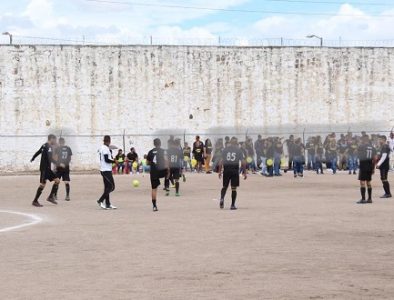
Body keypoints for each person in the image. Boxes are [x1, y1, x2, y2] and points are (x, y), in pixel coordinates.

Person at [30, 134, 61, 207]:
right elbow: (51, 158)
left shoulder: (45, 146)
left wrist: (33, 158)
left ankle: (50, 197)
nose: (55, 141)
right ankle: (35, 201)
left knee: (57, 181)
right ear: (51, 139)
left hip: (48, 169)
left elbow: (38, 152)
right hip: (44, 169)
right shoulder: (48, 147)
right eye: (55, 140)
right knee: (42, 184)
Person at [218, 137, 247, 210]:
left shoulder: (225, 149)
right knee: (234, 188)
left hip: (226, 169)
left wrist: (219, 171)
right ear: (236, 143)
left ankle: (222, 198)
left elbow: (221, 161)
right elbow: (243, 162)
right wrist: (244, 172)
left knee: (225, 186)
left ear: (230, 142)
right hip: (234, 170)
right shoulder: (239, 150)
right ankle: (232, 205)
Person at [147, 138, 169, 212]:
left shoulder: (150, 152)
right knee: (168, 172)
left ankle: (154, 206)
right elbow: (166, 160)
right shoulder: (163, 151)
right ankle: (166, 185)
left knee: (154, 189)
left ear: (154, 144)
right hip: (161, 170)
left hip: (153, 171)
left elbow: (147, 162)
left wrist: (152, 163)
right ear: (160, 144)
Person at [97, 135, 117, 210]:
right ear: (108, 141)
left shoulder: (103, 148)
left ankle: (108, 204)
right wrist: (113, 161)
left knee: (107, 187)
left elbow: (107, 158)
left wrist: (112, 159)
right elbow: (106, 159)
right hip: (105, 170)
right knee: (112, 187)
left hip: (106, 169)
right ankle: (100, 200)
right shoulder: (105, 148)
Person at [357, 135, 376, 204]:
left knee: (362, 182)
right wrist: (373, 168)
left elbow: (359, 157)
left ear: (363, 139)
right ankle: (370, 198)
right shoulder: (373, 148)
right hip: (370, 166)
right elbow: (375, 159)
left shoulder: (361, 146)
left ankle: (363, 199)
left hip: (363, 166)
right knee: (368, 182)